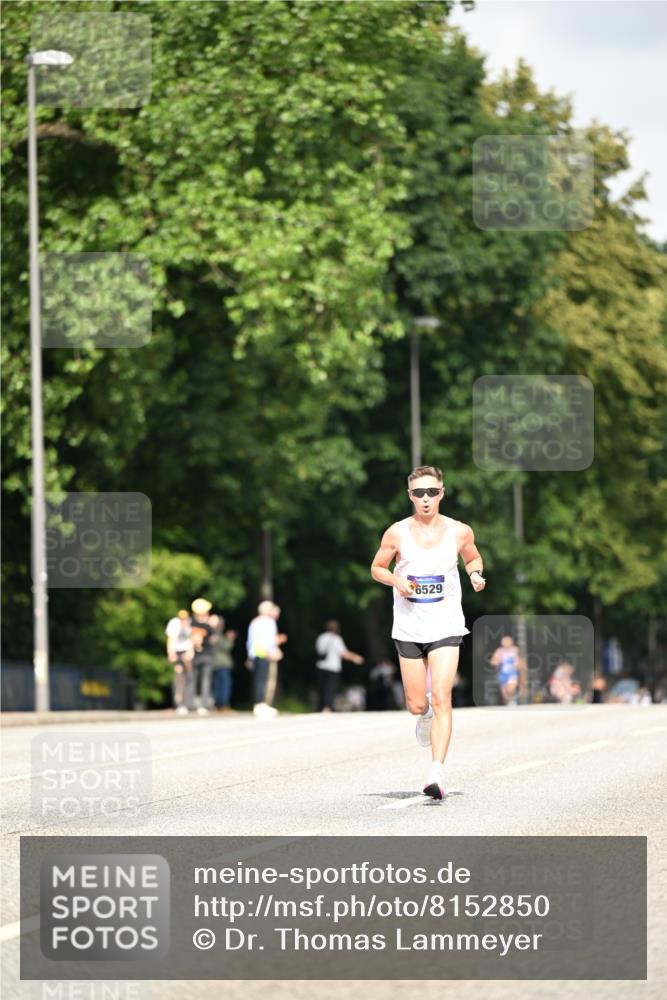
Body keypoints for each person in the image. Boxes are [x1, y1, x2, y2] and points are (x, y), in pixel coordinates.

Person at [370, 465, 486, 800]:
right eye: (419, 493)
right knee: (416, 703)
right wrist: (396, 580)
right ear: (410, 496)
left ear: (441, 493)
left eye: (431, 492)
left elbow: (473, 557)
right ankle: (424, 717)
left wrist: (476, 575)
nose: (425, 499)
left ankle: (436, 772)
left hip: (446, 625)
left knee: (443, 697)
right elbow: (377, 567)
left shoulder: (459, 531)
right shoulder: (396, 533)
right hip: (408, 625)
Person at [246, 601, 287, 717]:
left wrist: (249, 656)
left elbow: (250, 641)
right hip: (265, 653)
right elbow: (269, 640)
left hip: (255, 653)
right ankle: (261, 704)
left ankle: (258, 704)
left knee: (257, 680)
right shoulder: (269, 622)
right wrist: (272, 651)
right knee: (263, 680)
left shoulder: (254, 622)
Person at [315, 620, 364, 712]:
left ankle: (321, 707)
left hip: (321, 666)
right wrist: (355, 658)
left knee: (323, 688)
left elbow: (318, 651)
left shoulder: (321, 637)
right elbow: (344, 653)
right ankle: (327, 707)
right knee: (330, 688)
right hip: (333, 667)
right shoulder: (336, 639)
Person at [190, 597, 217, 715]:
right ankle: (203, 705)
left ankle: (191, 704)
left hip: (194, 655)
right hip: (205, 654)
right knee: (205, 680)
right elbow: (213, 640)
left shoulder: (191, 623)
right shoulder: (208, 625)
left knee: (193, 680)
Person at [165, 609, 194, 715]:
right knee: (179, 677)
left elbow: (191, 639)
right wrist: (171, 653)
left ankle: (188, 703)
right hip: (177, 651)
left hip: (186, 652)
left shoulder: (189, 623)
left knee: (188, 677)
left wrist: (190, 652)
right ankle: (179, 703)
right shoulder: (174, 623)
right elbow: (171, 639)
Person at [210, 615, 237, 712]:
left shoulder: (213, 634)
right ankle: (223, 704)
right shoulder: (217, 634)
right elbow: (226, 647)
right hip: (222, 663)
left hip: (215, 663)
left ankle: (219, 704)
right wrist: (230, 639)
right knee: (224, 684)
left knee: (218, 684)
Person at [489, 635, 523, 706]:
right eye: (504, 641)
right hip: (502, 674)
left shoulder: (515, 649)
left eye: (508, 641)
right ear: (502, 642)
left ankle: (512, 702)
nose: (506, 643)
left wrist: (518, 665)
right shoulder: (499, 651)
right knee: (504, 694)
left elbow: (519, 661)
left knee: (510, 689)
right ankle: (508, 704)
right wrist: (496, 661)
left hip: (512, 673)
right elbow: (492, 662)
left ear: (511, 642)